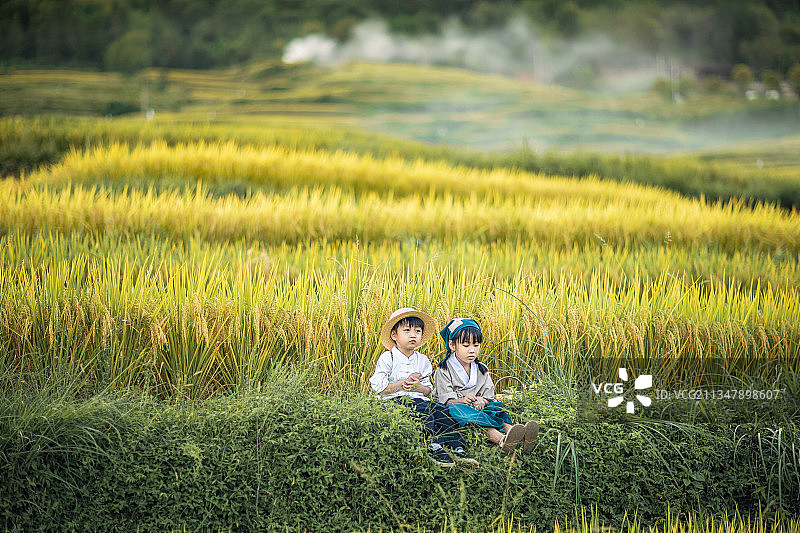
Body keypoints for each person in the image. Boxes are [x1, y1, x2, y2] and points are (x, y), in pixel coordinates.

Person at [369, 307, 478, 468]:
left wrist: (417, 387)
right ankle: (432, 445)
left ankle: (458, 448)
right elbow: (377, 386)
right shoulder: (388, 357)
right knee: (421, 409)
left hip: (419, 399)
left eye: (417, 331)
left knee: (441, 410)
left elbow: (428, 391)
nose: (413, 335)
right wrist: (402, 384)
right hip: (394, 400)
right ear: (394, 335)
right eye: (406, 330)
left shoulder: (422, 360)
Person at [434, 317, 538, 455]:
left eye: (476, 345)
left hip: (479, 406)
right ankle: (502, 439)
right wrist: (462, 400)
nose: (472, 350)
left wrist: (482, 400)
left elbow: (488, 394)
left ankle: (515, 432)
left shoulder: (481, 368)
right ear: (452, 345)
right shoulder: (443, 370)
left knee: (493, 408)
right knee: (461, 412)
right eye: (466, 346)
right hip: (459, 407)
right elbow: (446, 399)